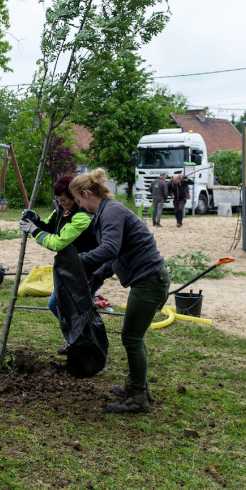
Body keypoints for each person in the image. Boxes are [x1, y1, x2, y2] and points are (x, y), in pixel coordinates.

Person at [69, 168, 171, 414]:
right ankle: (138, 386)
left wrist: (78, 260)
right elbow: (115, 256)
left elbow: (110, 249)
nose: (81, 206)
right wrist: (95, 276)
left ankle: (138, 398)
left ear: (85, 193)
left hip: (150, 282)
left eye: (79, 201)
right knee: (134, 337)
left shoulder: (111, 212)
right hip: (148, 280)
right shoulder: (108, 211)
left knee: (131, 338)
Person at [18, 173, 98, 354]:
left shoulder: (83, 217)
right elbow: (51, 226)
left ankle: (93, 351)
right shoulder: (63, 209)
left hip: (88, 270)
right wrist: (36, 220)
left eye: (63, 200)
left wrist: (34, 231)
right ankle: (77, 342)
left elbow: (58, 242)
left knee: (82, 312)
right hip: (71, 268)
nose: (60, 204)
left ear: (75, 197)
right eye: (57, 200)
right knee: (58, 306)